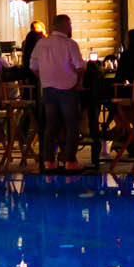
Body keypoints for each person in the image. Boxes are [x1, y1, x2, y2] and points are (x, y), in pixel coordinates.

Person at [30, 13, 85, 172]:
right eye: (70, 24)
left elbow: (33, 67)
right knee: (71, 124)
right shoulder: (70, 44)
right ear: (65, 26)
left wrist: (45, 76)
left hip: (48, 88)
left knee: (51, 125)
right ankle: (70, 161)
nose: (71, 27)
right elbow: (80, 67)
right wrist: (78, 81)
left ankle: (49, 161)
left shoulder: (41, 43)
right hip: (68, 88)